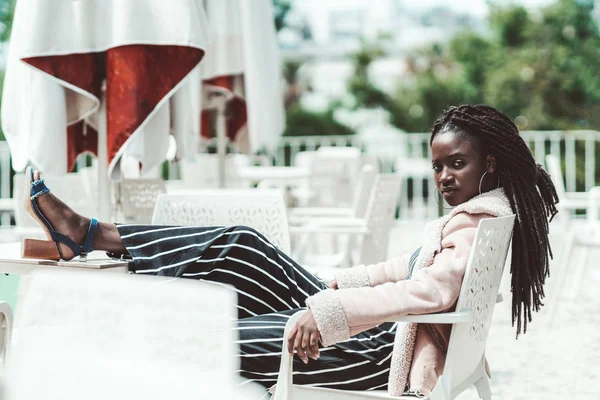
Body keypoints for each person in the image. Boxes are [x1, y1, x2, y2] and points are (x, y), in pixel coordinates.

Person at [22, 104, 558, 397]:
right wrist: (332, 283)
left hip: (379, 355)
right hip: (378, 334)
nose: (443, 176)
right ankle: (93, 235)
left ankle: (108, 316)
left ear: (489, 163)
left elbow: (430, 290)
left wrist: (325, 314)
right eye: (438, 165)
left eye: (456, 164)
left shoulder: (478, 219)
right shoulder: (478, 215)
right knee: (244, 244)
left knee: (210, 333)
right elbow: (409, 269)